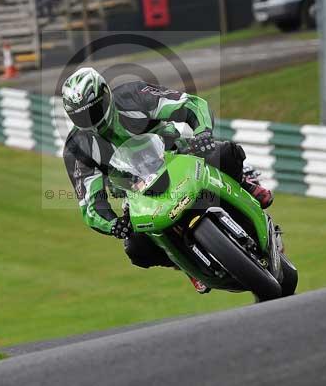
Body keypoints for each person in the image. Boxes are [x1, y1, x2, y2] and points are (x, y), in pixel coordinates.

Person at [61, 67, 274, 294]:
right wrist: (113, 224)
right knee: (136, 248)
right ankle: (185, 266)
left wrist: (202, 133)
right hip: (135, 190)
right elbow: (90, 205)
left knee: (225, 152)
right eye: (80, 116)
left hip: (175, 155)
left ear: (105, 96)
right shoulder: (76, 149)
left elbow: (190, 104)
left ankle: (245, 184)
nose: (89, 120)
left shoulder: (132, 95)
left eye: (93, 111)